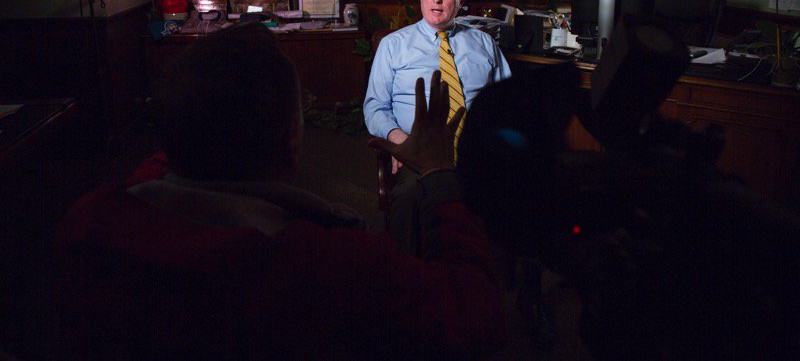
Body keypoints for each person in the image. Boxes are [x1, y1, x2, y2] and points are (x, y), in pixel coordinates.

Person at [53, 22, 505, 359]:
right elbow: (474, 319)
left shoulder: (89, 219)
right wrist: (441, 174)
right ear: (291, 142)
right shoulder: (338, 262)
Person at [363, 0, 511, 253]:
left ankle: (491, 275)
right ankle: (406, 273)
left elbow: (509, 102)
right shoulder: (393, 45)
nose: (437, 0)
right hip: (419, 151)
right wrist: (400, 142)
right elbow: (374, 107)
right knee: (409, 197)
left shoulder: (484, 44)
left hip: (477, 152)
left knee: (518, 191)